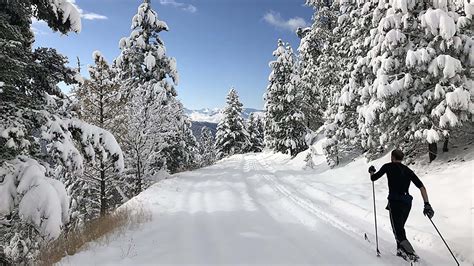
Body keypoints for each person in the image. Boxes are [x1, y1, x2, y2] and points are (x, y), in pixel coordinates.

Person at [369, 149, 435, 260]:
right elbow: (421, 187)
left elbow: (373, 178)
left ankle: (411, 255)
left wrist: (371, 171)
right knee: (400, 227)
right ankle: (400, 250)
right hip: (407, 204)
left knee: (398, 230)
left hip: (395, 202)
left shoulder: (387, 166)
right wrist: (427, 204)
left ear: (392, 157)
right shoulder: (408, 170)